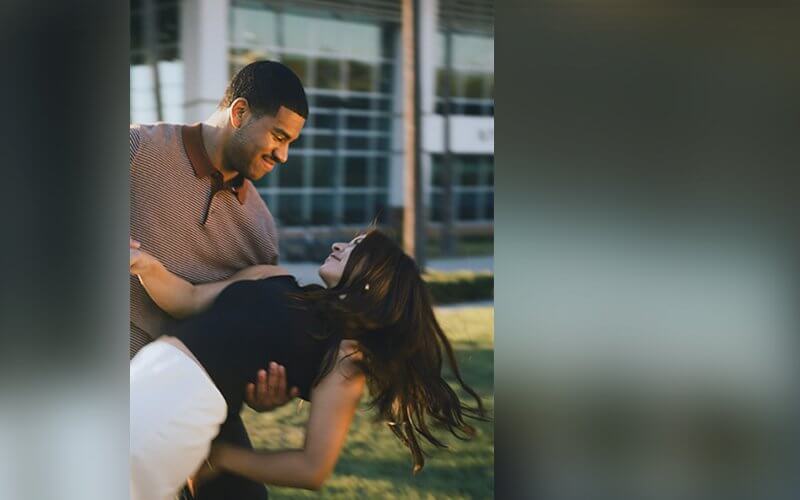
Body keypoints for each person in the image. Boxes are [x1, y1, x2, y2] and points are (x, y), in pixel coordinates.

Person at [129, 229, 486, 500]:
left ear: (375, 277)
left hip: (178, 405)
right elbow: (187, 300)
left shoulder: (346, 355)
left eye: (354, 248)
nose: (338, 246)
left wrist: (223, 458)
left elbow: (313, 467)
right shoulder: (272, 276)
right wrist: (146, 266)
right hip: (144, 374)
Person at [130, 60, 308, 499]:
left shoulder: (260, 233)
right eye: (278, 137)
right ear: (240, 112)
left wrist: (266, 391)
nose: (282, 155)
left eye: (290, 144)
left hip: (197, 394)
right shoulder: (136, 150)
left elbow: (249, 334)